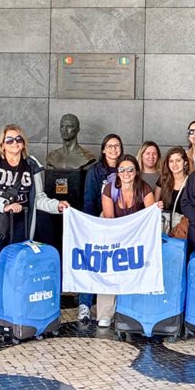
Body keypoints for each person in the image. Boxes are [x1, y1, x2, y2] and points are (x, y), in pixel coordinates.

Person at [0, 124, 68, 337]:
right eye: (10, 140)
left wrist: (57, 206)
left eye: (19, 139)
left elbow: (38, 198)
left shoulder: (31, 166)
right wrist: (3, 204)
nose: (15, 143)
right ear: (2, 144)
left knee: (16, 273)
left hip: (21, 225)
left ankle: (14, 315)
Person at [97, 153, 159, 328]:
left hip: (137, 236)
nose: (126, 173)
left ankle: (133, 311)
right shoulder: (109, 189)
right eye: (122, 169)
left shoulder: (144, 188)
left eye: (130, 169)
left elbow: (150, 216)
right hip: (114, 234)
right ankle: (105, 313)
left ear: (136, 171)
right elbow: (109, 217)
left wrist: (156, 209)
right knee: (108, 269)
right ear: (117, 172)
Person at [79, 134, 123, 321]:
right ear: (103, 149)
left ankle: (112, 308)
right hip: (98, 222)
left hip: (120, 225)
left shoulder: (126, 168)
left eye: (117, 146)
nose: (114, 149)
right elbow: (89, 199)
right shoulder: (95, 171)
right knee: (92, 263)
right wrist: (92, 224)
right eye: (110, 146)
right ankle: (85, 304)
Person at [157, 146, 191, 237]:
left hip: (183, 230)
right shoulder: (163, 180)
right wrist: (157, 205)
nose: (174, 164)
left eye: (178, 160)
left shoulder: (192, 181)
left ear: (185, 162)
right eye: (171, 161)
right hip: (164, 227)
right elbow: (154, 203)